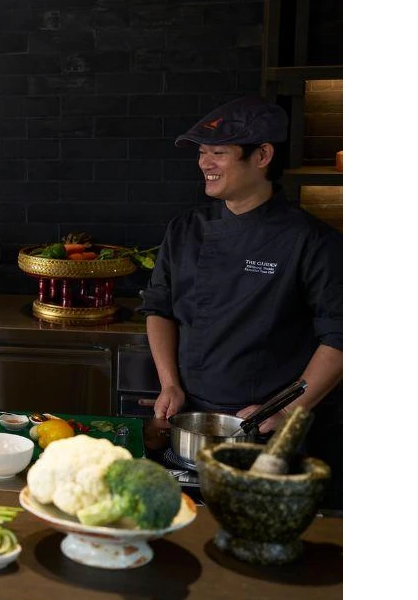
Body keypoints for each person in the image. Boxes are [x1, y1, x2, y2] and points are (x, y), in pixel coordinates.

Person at [142, 95, 342, 508]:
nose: (204, 163)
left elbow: (340, 339)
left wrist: (288, 411)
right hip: (188, 421)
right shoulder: (186, 229)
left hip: (265, 428)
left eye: (218, 152)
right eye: (202, 153)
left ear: (263, 155)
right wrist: (169, 383)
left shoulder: (313, 241)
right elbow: (159, 309)